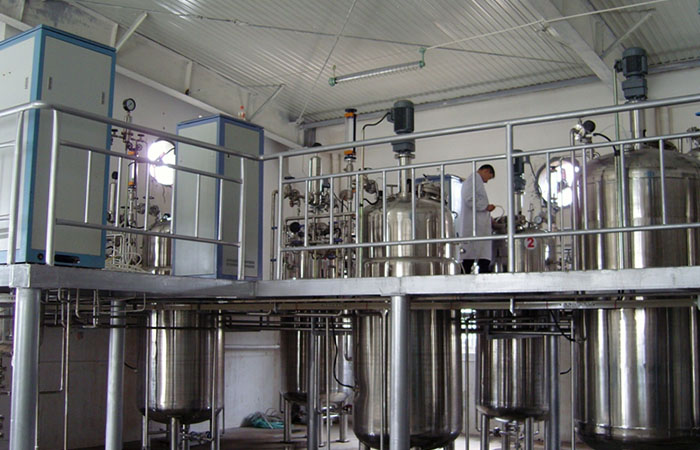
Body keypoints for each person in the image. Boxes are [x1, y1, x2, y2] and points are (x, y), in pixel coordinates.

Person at [458, 164, 495, 273]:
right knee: (469, 259)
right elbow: (469, 198)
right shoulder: (473, 180)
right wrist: (485, 207)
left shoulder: (476, 181)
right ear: (486, 171)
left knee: (478, 257)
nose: (487, 181)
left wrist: (488, 216)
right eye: (489, 177)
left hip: (478, 227)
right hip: (473, 227)